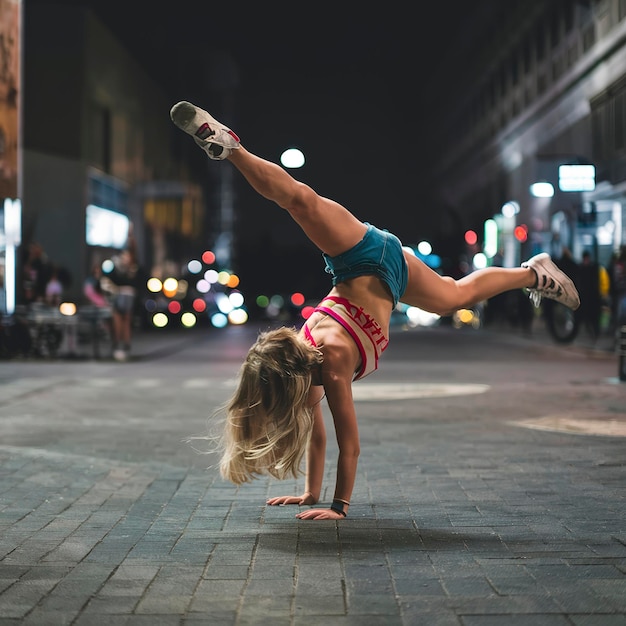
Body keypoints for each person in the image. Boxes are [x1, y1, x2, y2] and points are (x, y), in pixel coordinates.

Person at [171, 101, 581, 521]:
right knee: (455, 296)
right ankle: (533, 274)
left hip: (356, 255)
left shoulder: (330, 362)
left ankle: (229, 146)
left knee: (300, 201)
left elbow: (350, 444)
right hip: (394, 272)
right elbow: (316, 434)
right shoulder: (306, 367)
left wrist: (338, 508)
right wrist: (310, 494)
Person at [106, 239, 140, 362]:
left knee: (124, 321)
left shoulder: (131, 268)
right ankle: (120, 345)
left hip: (126, 295)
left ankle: (122, 345)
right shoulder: (120, 267)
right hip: (122, 294)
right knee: (120, 321)